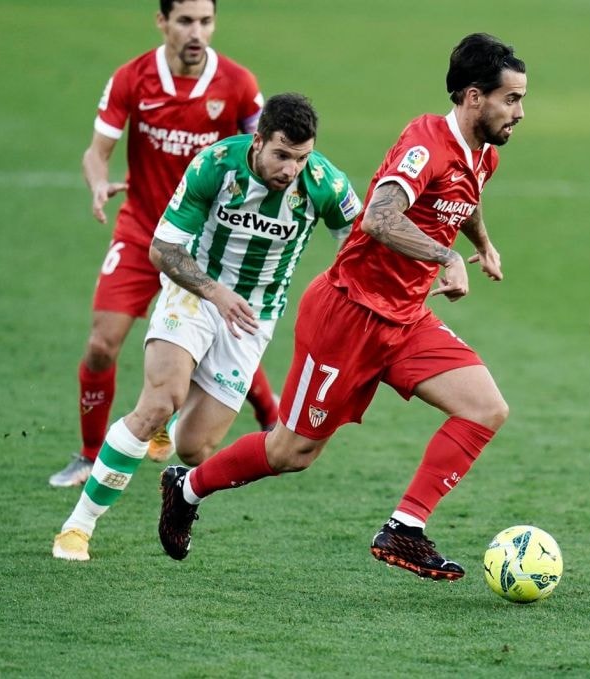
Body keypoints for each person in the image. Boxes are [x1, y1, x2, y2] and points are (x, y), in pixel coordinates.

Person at [158, 33, 527, 581]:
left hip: (405, 318)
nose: (520, 111)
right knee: (291, 452)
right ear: (474, 97)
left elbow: (462, 198)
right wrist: (444, 257)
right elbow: (379, 217)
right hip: (348, 313)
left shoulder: (483, 154)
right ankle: (186, 488)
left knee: (485, 408)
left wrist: (480, 243)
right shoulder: (426, 143)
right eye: (511, 98)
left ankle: (405, 528)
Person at [52, 93, 361, 561]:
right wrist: (216, 293)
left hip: (253, 318)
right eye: (281, 155)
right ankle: (78, 528)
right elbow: (163, 250)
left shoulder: (324, 183)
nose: (290, 169)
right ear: (257, 141)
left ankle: (166, 433)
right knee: (158, 402)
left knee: (196, 449)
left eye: (301, 157)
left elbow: (362, 247)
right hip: (195, 293)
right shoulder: (214, 166)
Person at [49, 0, 281, 489]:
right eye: (185, 21)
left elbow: (263, 155)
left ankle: (269, 416)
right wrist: (97, 182)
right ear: (162, 22)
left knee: (227, 332)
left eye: (206, 21)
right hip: (140, 232)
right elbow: (97, 152)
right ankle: (91, 455)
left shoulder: (237, 85)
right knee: (100, 344)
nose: (197, 32)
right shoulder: (132, 78)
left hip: (209, 241)